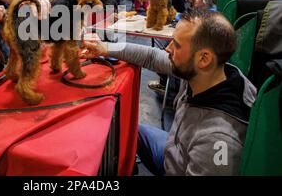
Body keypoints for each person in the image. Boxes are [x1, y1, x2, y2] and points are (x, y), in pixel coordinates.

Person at [83, 10, 257, 175]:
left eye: (177, 45)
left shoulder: (217, 140)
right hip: (175, 150)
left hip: (174, 166)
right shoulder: (209, 73)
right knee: (125, 128)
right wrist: (105, 47)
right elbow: (152, 56)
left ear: (204, 58)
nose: (168, 49)